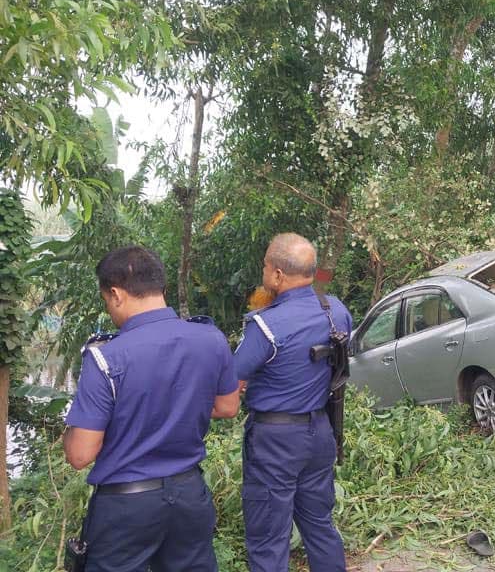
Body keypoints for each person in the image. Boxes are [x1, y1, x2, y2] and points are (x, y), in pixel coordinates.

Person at [64, 246, 239, 571]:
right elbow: (228, 407)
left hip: (125, 507)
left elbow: (80, 455)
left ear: (115, 294)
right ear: (161, 287)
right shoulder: (211, 339)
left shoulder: (106, 358)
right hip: (189, 494)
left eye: (106, 300)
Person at [234, 233, 353, 572]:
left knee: (269, 538)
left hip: (275, 441)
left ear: (277, 275)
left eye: (266, 266)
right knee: (319, 525)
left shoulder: (266, 325)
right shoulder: (335, 311)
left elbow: (232, 380)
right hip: (320, 432)